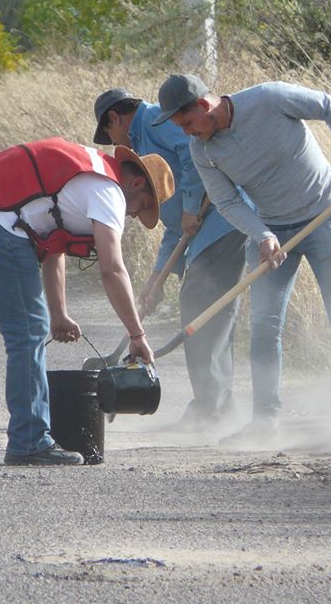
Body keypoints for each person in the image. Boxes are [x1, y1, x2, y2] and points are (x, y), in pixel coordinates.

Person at [0, 136, 175, 465]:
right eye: (143, 205)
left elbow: (52, 245)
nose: (134, 215)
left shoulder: (88, 176)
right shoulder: (109, 192)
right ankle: (30, 441)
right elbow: (112, 270)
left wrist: (59, 314)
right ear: (137, 181)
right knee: (27, 332)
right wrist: (137, 335)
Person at [152, 74, 331, 445]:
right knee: (263, 326)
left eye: (188, 124)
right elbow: (226, 202)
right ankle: (265, 422)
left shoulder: (270, 99)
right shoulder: (203, 151)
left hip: (325, 216)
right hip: (272, 231)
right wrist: (263, 234)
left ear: (204, 106)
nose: (188, 133)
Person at [93, 88, 248, 431]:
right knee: (207, 310)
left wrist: (192, 208)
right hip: (205, 228)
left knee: (201, 306)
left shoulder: (153, 119)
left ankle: (211, 410)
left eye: (109, 133)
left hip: (224, 221)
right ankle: (217, 406)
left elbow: (191, 153)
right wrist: (157, 277)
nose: (116, 144)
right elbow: (176, 227)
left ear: (115, 119)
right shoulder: (144, 145)